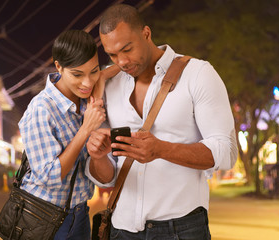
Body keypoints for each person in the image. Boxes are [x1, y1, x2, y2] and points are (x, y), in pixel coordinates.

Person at [85, 4, 238, 240]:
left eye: (127, 49)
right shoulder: (109, 85)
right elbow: (108, 176)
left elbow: (226, 152)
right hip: (121, 228)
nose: (122, 61)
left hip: (181, 229)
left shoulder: (198, 74)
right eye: (113, 55)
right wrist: (97, 156)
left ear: (146, 33)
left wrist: (161, 149)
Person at [18, 29, 118, 240]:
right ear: (58, 67)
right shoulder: (41, 109)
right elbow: (49, 176)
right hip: (43, 216)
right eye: (77, 74)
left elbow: (114, 68)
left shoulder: (84, 99)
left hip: (80, 213)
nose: (87, 83)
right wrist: (85, 129)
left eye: (93, 71)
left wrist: (100, 82)